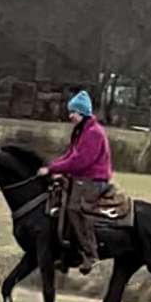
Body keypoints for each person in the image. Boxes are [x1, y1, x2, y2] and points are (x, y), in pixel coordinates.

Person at [38, 90, 112, 274]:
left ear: (83, 113)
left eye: (74, 112)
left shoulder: (93, 133)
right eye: (71, 112)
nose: (70, 116)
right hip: (82, 177)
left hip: (94, 179)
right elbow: (71, 155)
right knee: (60, 203)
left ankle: (90, 254)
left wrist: (53, 169)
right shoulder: (82, 131)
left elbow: (81, 161)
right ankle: (67, 253)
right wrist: (53, 166)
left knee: (75, 208)